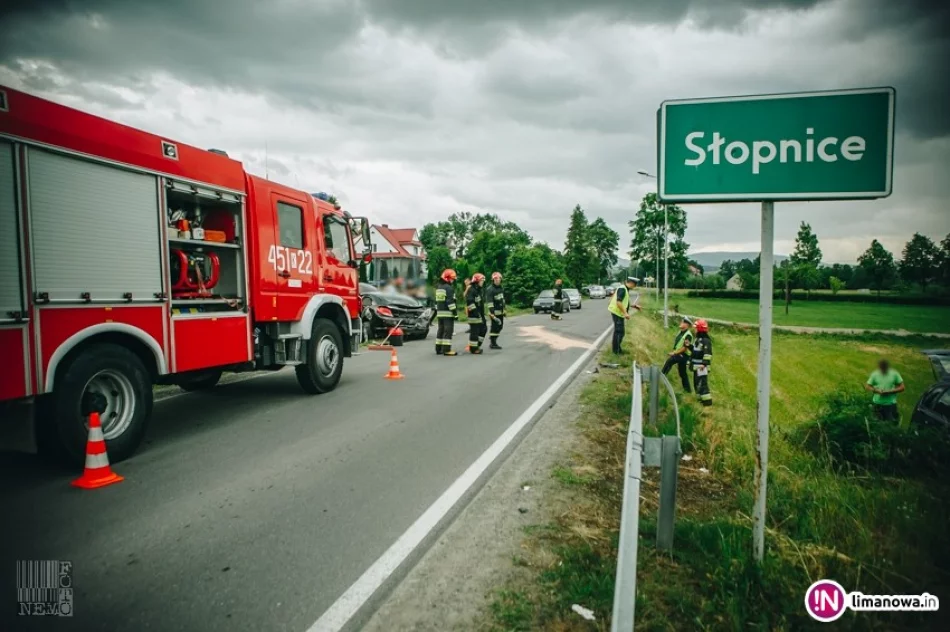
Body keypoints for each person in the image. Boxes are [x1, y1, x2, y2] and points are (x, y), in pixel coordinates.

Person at [607, 276, 642, 354]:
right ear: (631, 283)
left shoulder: (624, 288)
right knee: (619, 332)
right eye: (635, 284)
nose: (635, 286)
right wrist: (625, 313)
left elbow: (624, 302)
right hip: (617, 313)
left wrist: (634, 306)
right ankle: (616, 351)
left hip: (618, 312)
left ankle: (617, 350)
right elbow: (618, 302)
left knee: (619, 332)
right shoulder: (623, 289)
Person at [662, 316, 693, 393]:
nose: (681, 323)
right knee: (682, 372)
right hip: (680, 354)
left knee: (669, 361)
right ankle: (688, 390)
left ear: (687, 325)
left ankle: (661, 376)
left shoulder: (688, 335)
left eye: (683, 322)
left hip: (684, 355)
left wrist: (674, 353)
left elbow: (685, 348)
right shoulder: (680, 332)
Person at [434, 269, 459, 356]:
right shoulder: (449, 288)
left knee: (440, 331)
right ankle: (446, 350)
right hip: (448, 314)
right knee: (448, 331)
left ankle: (438, 349)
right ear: (447, 278)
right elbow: (450, 302)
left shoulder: (439, 288)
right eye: (452, 279)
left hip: (440, 313)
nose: (453, 280)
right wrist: (455, 313)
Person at [691, 319, 713, 407]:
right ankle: (700, 400)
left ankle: (707, 403)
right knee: (697, 383)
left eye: (696, 328)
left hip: (702, 367)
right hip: (697, 367)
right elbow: (695, 352)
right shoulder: (697, 339)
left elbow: (708, 354)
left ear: (699, 329)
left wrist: (704, 364)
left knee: (702, 384)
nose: (694, 330)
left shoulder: (706, 341)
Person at [466, 273, 487, 354]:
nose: (482, 282)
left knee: (484, 329)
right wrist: (476, 313)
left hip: (480, 315)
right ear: (477, 281)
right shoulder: (472, 290)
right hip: (474, 316)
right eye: (481, 281)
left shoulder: (478, 290)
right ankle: (473, 349)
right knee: (475, 332)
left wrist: (482, 315)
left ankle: (476, 345)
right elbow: (470, 303)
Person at [486, 272, 506, 350]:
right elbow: (490, 302)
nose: (497, 280)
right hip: (494, 312)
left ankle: (492, 339)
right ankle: (493, 343)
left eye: (499, 278)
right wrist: (492, 313)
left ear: (501, 279)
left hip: (501, 311)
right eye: (496, 279)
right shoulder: (490, 289)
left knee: (500, 327)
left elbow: (502, 300)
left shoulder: (501, 288)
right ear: (493, 280)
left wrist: (504, 309)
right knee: (495, 327)